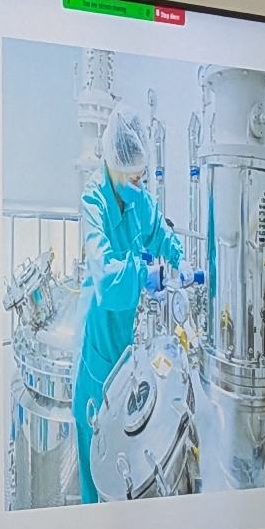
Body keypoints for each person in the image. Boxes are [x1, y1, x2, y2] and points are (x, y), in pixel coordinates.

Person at [75, 106, 186, 502]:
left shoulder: (136, 195)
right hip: (100, 337)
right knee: (97, 449)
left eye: (143, 177)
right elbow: (107, 280)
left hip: (125, 339)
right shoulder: (94, 201)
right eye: (135, 178)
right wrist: (144, 274)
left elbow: (157, 230)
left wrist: (180, 259)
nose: (140, 186)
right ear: (114, 164)